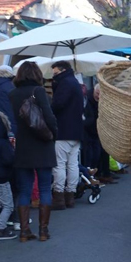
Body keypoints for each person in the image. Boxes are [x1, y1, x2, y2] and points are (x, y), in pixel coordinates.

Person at [9, 62, 58, 242]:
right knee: (45, 187)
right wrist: (54, 134)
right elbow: (49, 116)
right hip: (43, 145)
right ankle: (43, 231)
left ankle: (24, 231)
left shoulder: (12, 94)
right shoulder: (39, 91)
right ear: (36, 74)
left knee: (24, 190)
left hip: (22, 146)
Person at [49, 61, 84, 210]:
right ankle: (70, 195)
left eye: (55, 73)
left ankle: (59, 197)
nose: (53, 76)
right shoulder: (74, 82)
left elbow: (57, 105)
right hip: (76, 131)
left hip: (63, 130)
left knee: (59, 165)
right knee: (72, 164)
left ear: (63, 70)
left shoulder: (65, 83)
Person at [0, 110, 16, 240]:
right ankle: (1, 228)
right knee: (8, 205)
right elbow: (9, 160)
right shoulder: (3, 143)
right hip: (2, 178)